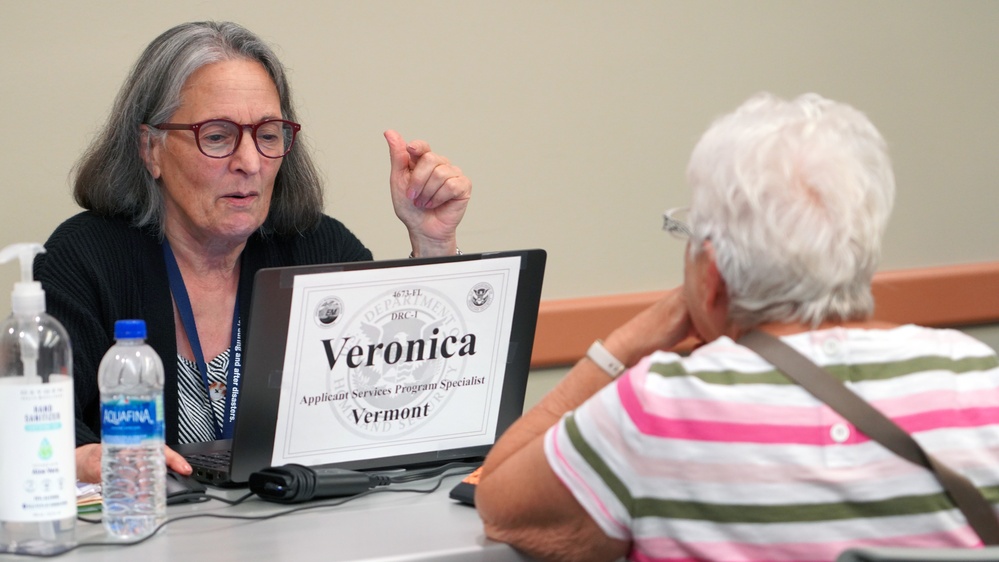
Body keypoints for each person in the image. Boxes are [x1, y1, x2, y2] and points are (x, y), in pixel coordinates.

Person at [475, 93, 999, 561]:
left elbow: (498, 498)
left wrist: (623, 344)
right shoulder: (977, 378)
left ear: (712, 275)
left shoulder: (660, 407)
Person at [33, 21, 472, 484]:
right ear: (151, 149)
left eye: (267, 134)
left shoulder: (314, 247)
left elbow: (416, 406)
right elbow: (40, 424)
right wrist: (79, 458)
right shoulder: (85, 259)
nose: (250, 162)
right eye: (218, 136)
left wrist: (433, 243)